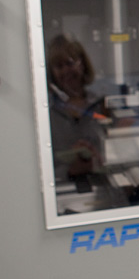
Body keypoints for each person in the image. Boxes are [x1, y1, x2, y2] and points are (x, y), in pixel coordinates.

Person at [46, 33, 106, 180]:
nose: (66, 71)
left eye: (70, 63)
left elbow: (118, 153)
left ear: (83, 64)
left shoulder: (102, 106)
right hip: (62, 189)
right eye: (59, 66)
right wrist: (69, 170)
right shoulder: (47, 112)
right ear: (52, 73)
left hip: (104, 184)